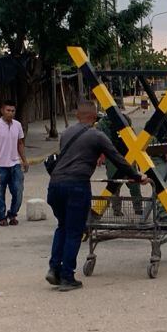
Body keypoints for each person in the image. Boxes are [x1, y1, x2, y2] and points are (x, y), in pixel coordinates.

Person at [47, 102, 141, 291]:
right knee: (75, 231)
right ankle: (67, 277)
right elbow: (117, 158)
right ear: (93, 117)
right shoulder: (97, 135)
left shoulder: (66, 133)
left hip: (55, 185)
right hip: (76, 186)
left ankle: (54, 269)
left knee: (62, 227)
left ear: (78, 116)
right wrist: (137, 177)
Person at [96, 107, 144, 216]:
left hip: (116, 157)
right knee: (131, 183)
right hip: (126, 155)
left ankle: (118, 210)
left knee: (116, 184)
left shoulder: (102, 123)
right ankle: (137, 208)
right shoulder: (123, 119)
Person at [0, 100, 26, 226]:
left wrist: (24, 160)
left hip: (15, 164)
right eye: (8, 110)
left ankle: (13, 213)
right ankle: (2, 217)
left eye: (13, 111)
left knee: (18, 191)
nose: (10, 113)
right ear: (2, 110)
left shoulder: (17, 125)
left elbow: (20, 143)